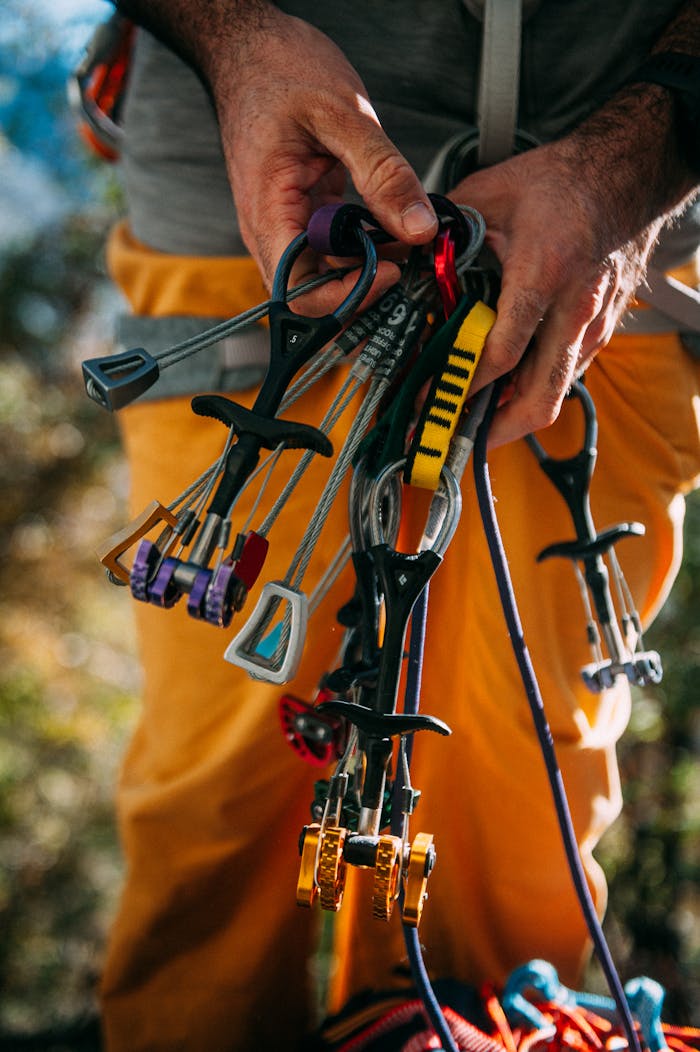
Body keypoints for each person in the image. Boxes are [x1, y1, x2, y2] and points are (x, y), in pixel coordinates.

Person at [90, 1, 700, 1048]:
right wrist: (230, 33)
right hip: (251, 213)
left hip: (625, 246)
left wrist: (633, 167)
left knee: (524, 795)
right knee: (219, 793)